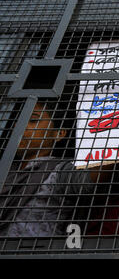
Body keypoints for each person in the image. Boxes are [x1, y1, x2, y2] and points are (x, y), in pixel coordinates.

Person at [0, 100, 109, 237]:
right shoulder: (5, 169)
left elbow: (93, 176)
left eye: (33, 120)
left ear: (59, 134)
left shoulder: (59, 170)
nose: (19, 126)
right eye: (17, 120)